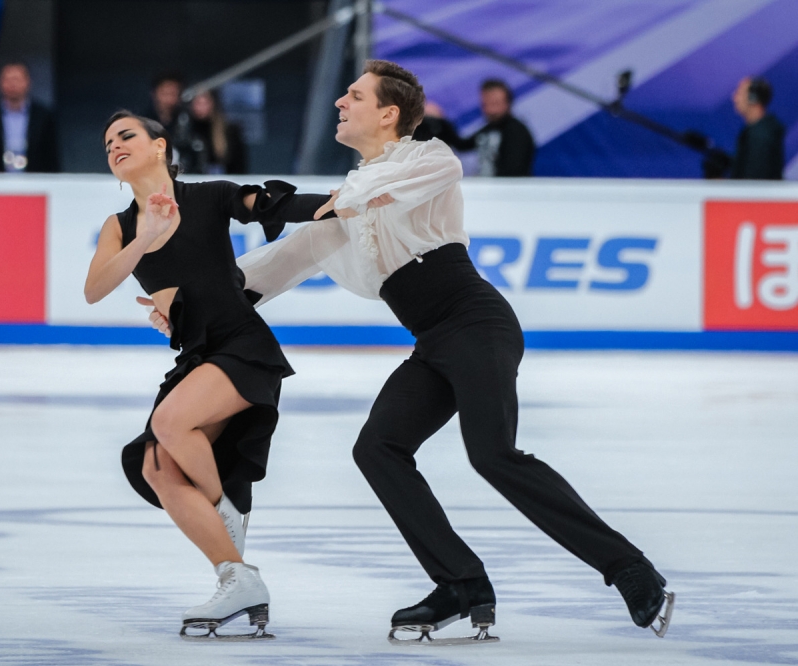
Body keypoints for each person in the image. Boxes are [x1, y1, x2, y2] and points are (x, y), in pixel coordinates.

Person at [232, 60, 674, 642]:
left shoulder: (428, 159)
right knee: (379, 449)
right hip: (434, 340)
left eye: (354, 95)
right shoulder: (340, 211)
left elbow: (360, 196)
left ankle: (629, 569)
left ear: (389, 114)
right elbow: (271, 267)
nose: (341, 102)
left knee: (493, 455)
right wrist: (192, 302)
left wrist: (288, 203)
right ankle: (461, 582)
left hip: (478, 323)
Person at [85, 111, 330, 639]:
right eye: (107, 145)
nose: (115, 148)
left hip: (241, 346)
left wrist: (336, 206)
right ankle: (236, 575)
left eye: (126, 136)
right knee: (157, 467)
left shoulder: (209, 196)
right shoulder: (120, 226)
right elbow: (95, 287)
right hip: (196, 357)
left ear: (159, 146)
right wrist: (143, 235)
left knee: (171, 424)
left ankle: (223, 513)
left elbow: (270, 205)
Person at [414, 79, 535, 177]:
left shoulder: (516, 132)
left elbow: (514, 173)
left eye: (496, 104)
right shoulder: (490, 128)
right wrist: (438, 121)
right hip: (491, 193)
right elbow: (462, 144)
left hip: (506, 196)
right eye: (486, 104)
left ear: (508, 103)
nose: (491, 110)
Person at [0, 62, 60, 173]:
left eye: (17, 79)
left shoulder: (43, 116)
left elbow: (51, 156)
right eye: (8, 79)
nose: (12, 84)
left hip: (34, 182)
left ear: (28, 82)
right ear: (0, 83)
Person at [730, 77, 785, 180]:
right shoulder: (758, 132)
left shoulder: (760, 136)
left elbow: (754, 181)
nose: (734, 98)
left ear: (753, 97)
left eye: (739, 93)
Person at [185, 89, 248, 174]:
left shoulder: (229, 131)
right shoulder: (186, 130)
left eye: (205, 103)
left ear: (213, 104)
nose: (201, 108)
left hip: (224, 182)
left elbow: (239, 165)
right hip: (193, 181)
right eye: (198, 103)